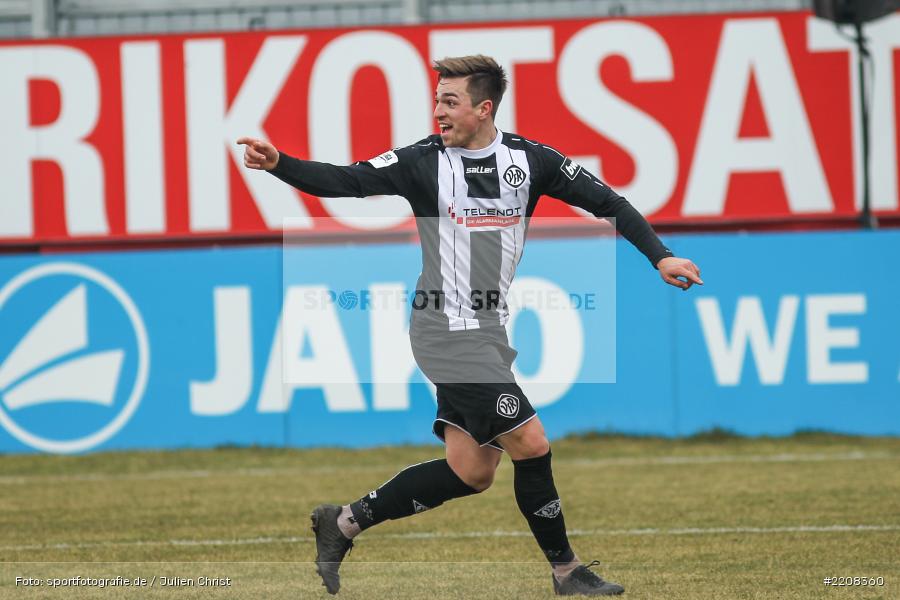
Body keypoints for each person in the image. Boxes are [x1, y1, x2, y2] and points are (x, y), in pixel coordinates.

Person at [238, 54, 702, 597]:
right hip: (444, 327)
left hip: (487, 329)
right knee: (531, 442)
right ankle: (568, 572)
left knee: (471, 472)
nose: (438, 111)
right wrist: (280, 163)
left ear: (484, 109)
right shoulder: (422, 162)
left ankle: (341, 522)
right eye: (437, 100)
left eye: (450, 102)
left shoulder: (531, 161)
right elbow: (348, 180)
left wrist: (660, 256)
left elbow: (609, 202)